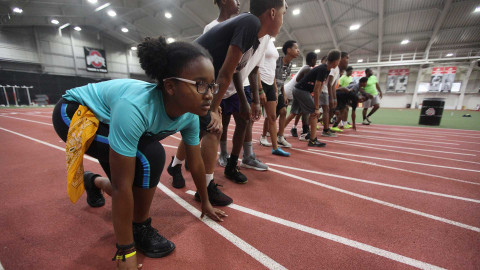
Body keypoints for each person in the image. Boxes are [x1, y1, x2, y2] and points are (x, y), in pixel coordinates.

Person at [52, 37, 227, 269]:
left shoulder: (190, 116)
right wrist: (126, 251)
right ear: (171, 86)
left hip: (109, 118)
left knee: (132, 176)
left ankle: (93, 182)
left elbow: (195, 164)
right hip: (74, 112)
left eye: (211, 85)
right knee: (150, 157)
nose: (209, 94)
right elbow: (123, 186)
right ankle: (140, 227)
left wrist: (205, 202)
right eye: (199, 84)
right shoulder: (136, 108)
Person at [169, 0, 287, 186]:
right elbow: (225, 73)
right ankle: (205, 187)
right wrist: (214, 108)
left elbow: (235, 68)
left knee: (203, 127)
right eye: (283, 14)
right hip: (186, 73)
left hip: (203, 80)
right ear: (272, 13)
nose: (283, 20)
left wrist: (242, 99)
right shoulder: (250, 23)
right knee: (212, 127)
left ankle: (180, 168)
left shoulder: (255, 36)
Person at [166, 0, 239, 204]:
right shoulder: (214, 28)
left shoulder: (240, 29)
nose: (239, 1)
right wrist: (211, 102)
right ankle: (206, 186)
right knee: (212, 129)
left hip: (222, 88)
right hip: (208, 89)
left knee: (195, 131)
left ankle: (176, 164)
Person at [285, 49, 341, 147]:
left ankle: (279, 134)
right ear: (336, 61)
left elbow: (318, 89)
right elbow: (316, 88)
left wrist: (316, 103)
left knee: (293, 113)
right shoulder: (323, 69)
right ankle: (313, 140)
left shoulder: (326, 69)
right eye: (339, 61)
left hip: (298, 89)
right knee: (314, 113)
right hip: (301, 90)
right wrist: (316, 107)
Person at [257, 39, 290, 156]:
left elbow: (272, 69)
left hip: (271, 83)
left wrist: (276, 89)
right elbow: (255, 65)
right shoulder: (260, 39)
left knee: (272, 116)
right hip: (259, 81)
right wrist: (260, 89)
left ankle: (275, 148)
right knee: (250, 118)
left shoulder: (271, 42)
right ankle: (246, 150)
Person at [284, 52, 318, 140]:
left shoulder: (305, 67)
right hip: (294, 90)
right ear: (312, 60)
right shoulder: (308, 69)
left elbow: (299, 79)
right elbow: (304, 82)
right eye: (316, 59)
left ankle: (280, 131)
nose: (316, 61)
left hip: (293, 89)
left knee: (294, 112)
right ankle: (306, 133)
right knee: (310, 110)